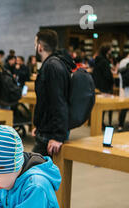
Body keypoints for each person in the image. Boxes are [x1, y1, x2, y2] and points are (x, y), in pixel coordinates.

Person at [32, 29, 75, 157]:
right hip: (48, 130)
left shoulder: (52, 66)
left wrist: (57, 136)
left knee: (32, 171)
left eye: (35, 44)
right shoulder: (56, 63)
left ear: (40, 47)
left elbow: (58, 102)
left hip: (51, 134)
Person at [92, 42, 114, 127]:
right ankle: (102, 122)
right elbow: (107, 75)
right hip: (105, 86)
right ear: (107, 51)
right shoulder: (104, 62)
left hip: (97, 85)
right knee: (104, 106)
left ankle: (97, 121)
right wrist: (112, 81)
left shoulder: (97, 60)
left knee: (98, 105)